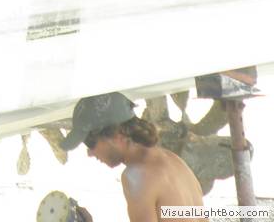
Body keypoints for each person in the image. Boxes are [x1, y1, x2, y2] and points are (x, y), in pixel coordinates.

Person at [60, 91, 204, 222]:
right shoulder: (175, 162)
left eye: (90, 142)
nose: (90, 153)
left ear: (117, 135)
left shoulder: (138, 176)